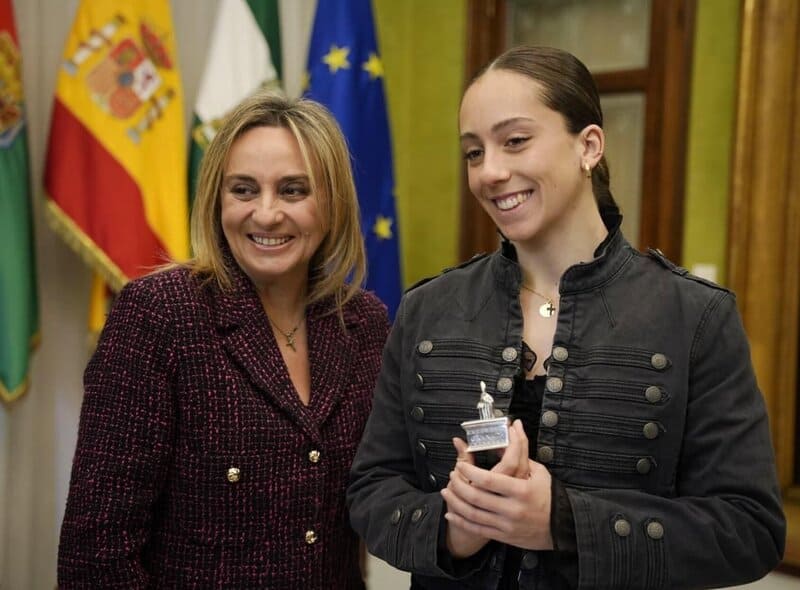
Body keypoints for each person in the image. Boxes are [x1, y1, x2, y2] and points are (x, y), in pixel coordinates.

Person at [347, 46, 785, 589]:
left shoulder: (697, 317)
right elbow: (371, 490)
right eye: (474, 152)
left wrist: (563, 523)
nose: (490, 172)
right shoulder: (426, 310)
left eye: (515, 141)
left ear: (589, 146)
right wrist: (455, 530)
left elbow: (749, 530)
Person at [58, 91, 390, 589]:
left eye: (293, 190)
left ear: (332, 203)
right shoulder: (159, 314)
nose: (266, 214)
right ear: (217, 200)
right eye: (243, 190)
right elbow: (97, 553)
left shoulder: (363, 322)